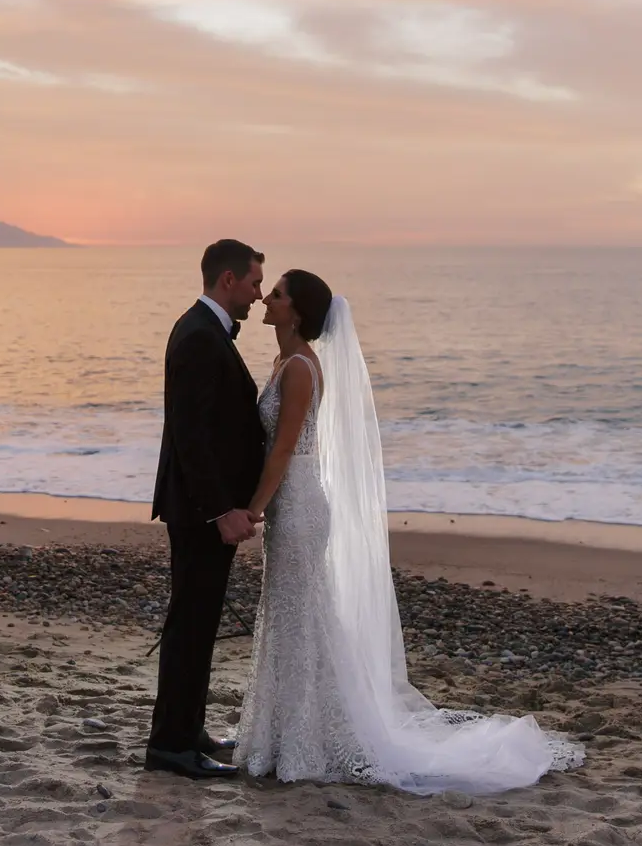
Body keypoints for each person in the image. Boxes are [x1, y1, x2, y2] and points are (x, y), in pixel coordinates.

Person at [233, 269, 586, 794]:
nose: (268, 298)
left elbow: (284, 450)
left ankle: (311, 738)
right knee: (293, 617)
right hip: (291, 504)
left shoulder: (302, 367)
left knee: (302, 617)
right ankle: (288, 732)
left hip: (301, 503)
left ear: (298, 311)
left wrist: (254, 509)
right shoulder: (284, 360)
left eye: (278, 294)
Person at [144, 238, 269, 779]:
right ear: (227, 280)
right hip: (199, 512)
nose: (258, 295)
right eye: (254, 283)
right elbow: (191, 437)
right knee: (191, 627)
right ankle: (170, 746)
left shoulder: (203, 329)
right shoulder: (198, 335)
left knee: (198, 623)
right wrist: (221, 510)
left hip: (201, 509)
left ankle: (187, 730)